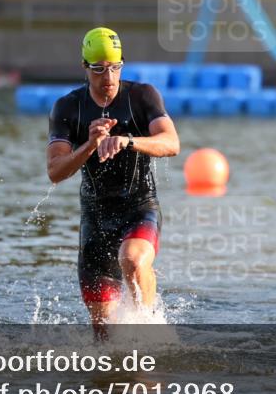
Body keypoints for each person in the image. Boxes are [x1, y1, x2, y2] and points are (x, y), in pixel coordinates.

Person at [46, 27, 180, 336]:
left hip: (139, 206)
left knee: (132, 261)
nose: (108, 76)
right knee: (103, 337)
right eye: (99, 69)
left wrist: (128, 141)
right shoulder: (68, 107)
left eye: (115, 67)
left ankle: (149, 334)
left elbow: (171, 143)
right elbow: (55, 171)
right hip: (95, 219)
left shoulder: (142, 96)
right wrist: (90, 145)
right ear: (85, 67)